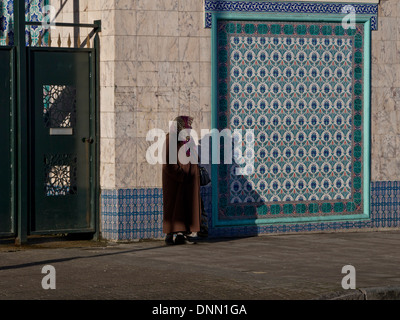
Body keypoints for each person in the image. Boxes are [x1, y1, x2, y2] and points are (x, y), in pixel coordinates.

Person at [162, 116, 201, 245]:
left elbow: (195, 156)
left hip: (187, 181)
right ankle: (170, 234)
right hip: (177, 182)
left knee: (184, 208)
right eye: (187, 126)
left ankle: (181, 235)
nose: (189, 128)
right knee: (174, 207)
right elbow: (168, 163)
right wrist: (181, 176)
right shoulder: (171, 139)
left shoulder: (187, 140)